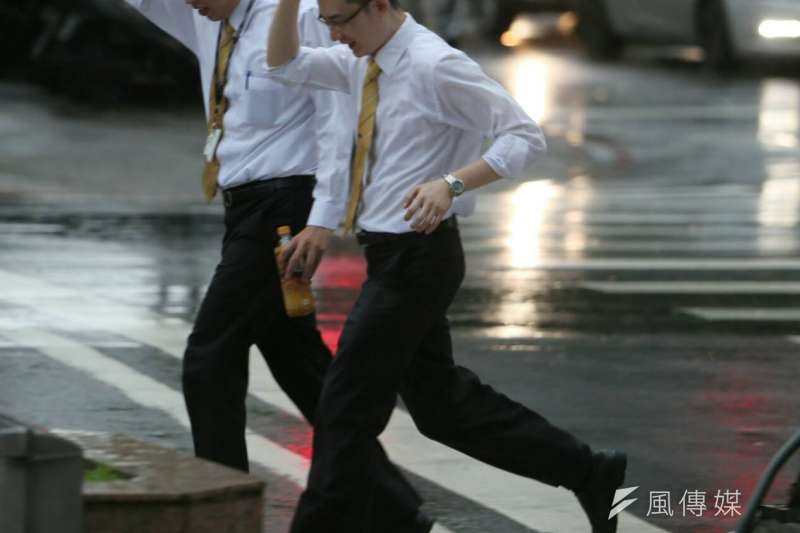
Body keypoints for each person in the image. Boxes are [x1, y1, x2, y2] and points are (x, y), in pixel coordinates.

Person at [267, 1, 627, 532]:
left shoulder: (435, 64)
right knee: (442, 409)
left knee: (345, 411)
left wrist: (452, 183)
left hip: (420, 258)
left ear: (382, 5)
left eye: (341, 19)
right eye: (327, 22)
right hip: (390, 256)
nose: (335, 34)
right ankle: (587, 470)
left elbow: (524, 136)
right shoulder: (359, 60)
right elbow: (284, 64)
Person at [121, 0, 430, 531]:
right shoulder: (210, 18)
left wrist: (323, 218)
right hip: (242, 209)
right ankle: (393, 506)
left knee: (209, 358)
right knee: (301, 367)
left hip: (285, 211)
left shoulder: (302, 14)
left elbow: (340, 119)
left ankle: (222, 511)